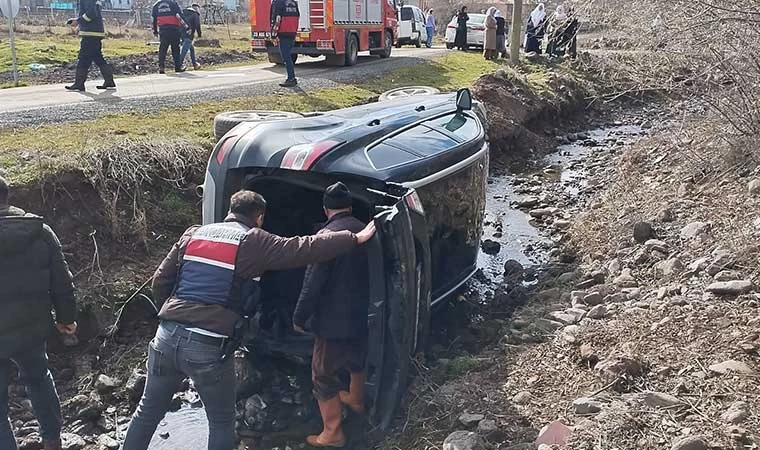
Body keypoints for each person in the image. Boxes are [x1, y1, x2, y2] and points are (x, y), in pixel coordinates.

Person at [120, 190, 376, 450]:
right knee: (221, 421)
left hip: (165, 338)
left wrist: (173, 315)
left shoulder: (194, 233)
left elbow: (160, 282)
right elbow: (304, 248)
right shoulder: (252, 240)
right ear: (260, 217)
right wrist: (354, 237)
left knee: (147, 411)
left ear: (230, 211)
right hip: (208, 347)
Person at [0, 175, 78, 450]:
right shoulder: (40, 231)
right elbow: (62, 281)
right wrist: (67, 318)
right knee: (39, 380)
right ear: (7, 197)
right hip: (31, 329)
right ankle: (52, 442)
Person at [293, 183, 370, 448]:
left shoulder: (326, 237)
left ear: (326, 210)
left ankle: (333, 433)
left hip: (332, 319)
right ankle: (356, 398)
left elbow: (312, 283)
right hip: (364, 312)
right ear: (349, 206)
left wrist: (300, 317)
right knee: (356, 358)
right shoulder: (367, 228)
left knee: (323, 374)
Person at [64, 0, 116, 91]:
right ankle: (109, 81)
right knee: (98, 58)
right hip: (95, 33)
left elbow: (91, 13)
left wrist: (78, 21)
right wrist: (80, 23)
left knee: (83, 58)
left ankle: (79, 84)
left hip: (90, 34)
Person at [271, 0, 300, 87]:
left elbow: (277, 20)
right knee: (288, 56)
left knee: (286, 57)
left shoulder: (279, 2)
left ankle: (291, 79)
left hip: (283, 34)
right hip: (292, 33)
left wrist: (273, 35)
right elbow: (297, 18)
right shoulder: (294, 3)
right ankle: (291, 78)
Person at [152, 0, 186, 74]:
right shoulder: (173, 3)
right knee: (176, 49)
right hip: (174, 29)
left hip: (163, 30)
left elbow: (154, 20)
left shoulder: (156, 5)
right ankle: (178, 67)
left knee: (162, 49)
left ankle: (161, 67)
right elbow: (180, 15)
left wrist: (155, 31)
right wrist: (186, 26)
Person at [180, 3, 202, 70]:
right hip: (189, 34)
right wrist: (199, 34)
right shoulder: (195, 14)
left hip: (181, 32)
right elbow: (197, 25)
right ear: (197, 8)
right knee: (184, 50)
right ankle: (179, 64)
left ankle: (195, 64)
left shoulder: (183, 12)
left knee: (191, 49)